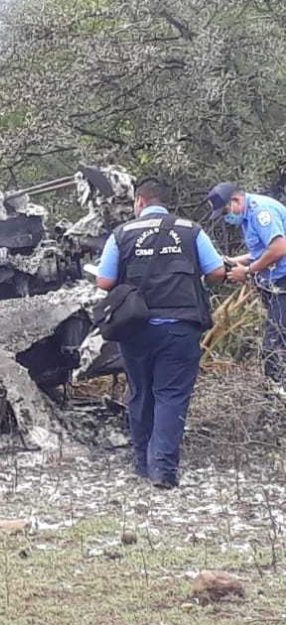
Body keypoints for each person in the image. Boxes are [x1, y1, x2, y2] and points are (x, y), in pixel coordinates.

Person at [96, 178, 225, 489]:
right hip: (180, 329)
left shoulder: (122, 234)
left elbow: (104, 282)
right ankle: (163, 472)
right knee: (171, 396)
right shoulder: (191, 230)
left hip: (136, 329)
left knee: (140, 394)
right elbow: (217, 272)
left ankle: (141, 465)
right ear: (164, 202)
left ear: (139, 202)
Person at [205, 182, 286, 391]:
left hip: (283, 283)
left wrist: (248, 272)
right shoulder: (247, 216)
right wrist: (233, 261)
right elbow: (260, 252)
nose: (226, 218)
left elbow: (278, 248)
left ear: (236, 200)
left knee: (273, 344)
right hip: (274, 283)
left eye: (225, 212)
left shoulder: (261, 212)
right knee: (279, 339)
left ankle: (276, 393)